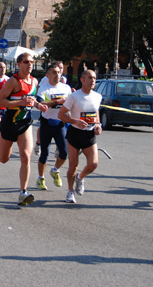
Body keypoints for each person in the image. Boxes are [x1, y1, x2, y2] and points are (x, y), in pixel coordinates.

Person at [0, 53, 47, 206]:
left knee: (26, 156)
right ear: (19, 64)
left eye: (32, 62)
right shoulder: (13, 81)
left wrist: (39, 105)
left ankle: (22, 192)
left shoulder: (34, 81)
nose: (30, 64)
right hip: (9, 123)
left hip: (24, 122)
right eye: (26, 62)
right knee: (4, 158)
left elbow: (31, 99)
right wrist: (21, 101)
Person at [58, 70, 103, 204]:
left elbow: (96, 112)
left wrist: (98, 125)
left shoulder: (97, 96)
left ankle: (80, 177)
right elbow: (61, 115)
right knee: (73, 166)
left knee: (93, 164)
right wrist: (74, 121)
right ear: (82, 80)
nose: (92, 80)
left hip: (89, 134)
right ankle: (70, 191)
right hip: (75, 133)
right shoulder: (74, 96)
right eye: (89, 78)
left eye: (94, 78)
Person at [35, 64, 72, 190]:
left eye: (58, 72)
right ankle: (41, 178)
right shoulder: (44, 89)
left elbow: (71, 104)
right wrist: (57, 102)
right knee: (44, 153)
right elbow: (41, 103)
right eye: (54, 73)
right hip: (47, 123)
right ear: (48, 75)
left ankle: (55, 170)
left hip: (60, 124)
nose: (57, 75)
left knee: (64, 153)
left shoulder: (66, 88)